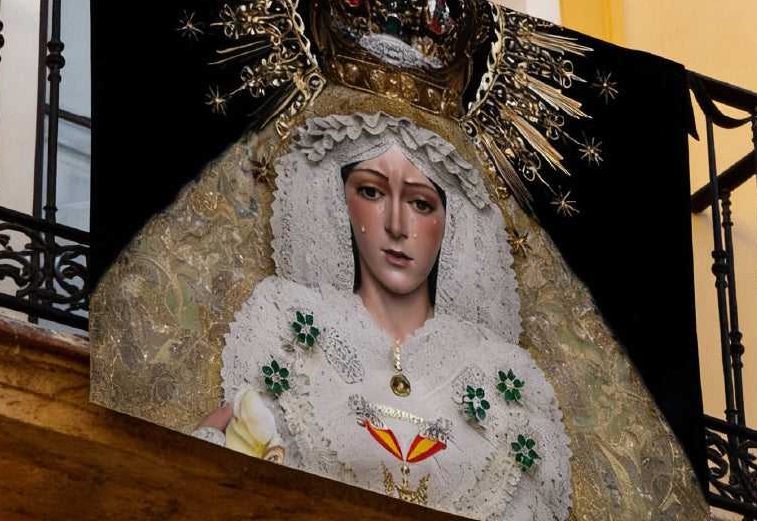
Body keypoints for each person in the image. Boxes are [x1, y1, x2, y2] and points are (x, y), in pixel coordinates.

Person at [197, 111, 571, 520]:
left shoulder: (505, 379)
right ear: (339, 200)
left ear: (453, 223)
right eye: (372, 192)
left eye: (421, 203)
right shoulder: (286, 329)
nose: (396, 225)